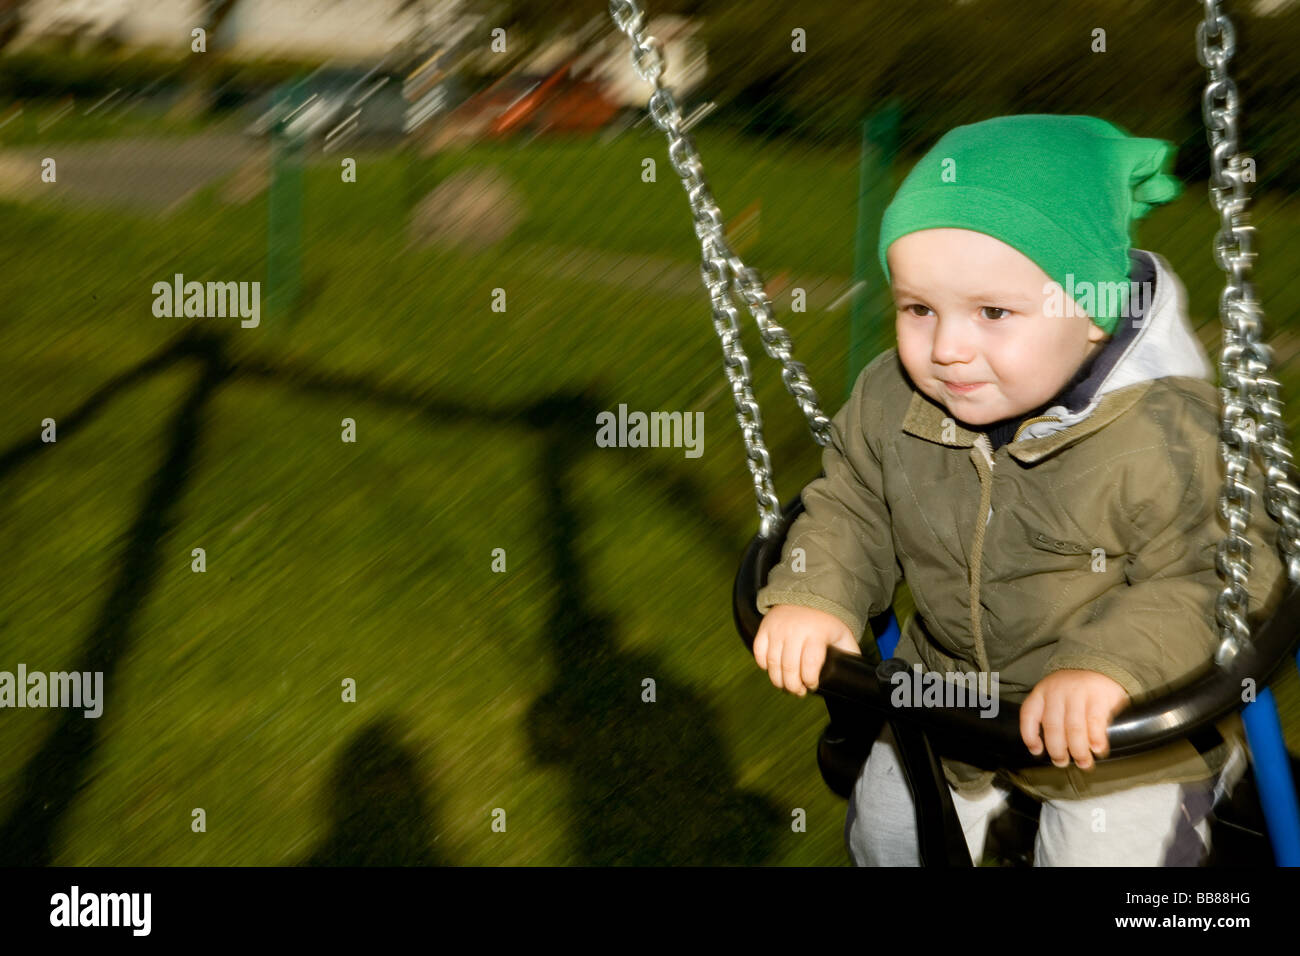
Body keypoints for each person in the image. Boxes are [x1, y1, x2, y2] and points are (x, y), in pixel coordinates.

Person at [752, 114, 1287, 866]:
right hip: (943, 707)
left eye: (992, 313)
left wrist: (1107, 668)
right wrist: (815, 592)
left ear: (1094, 316)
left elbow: (1224, 569)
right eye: (917, 309)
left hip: (1123, 732)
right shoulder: (893, 400)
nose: (946, 348)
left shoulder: (1171, 432)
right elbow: (849, 503)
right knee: (888, 836)